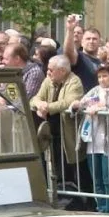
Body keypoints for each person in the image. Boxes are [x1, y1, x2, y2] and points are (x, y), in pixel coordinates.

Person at [71, 62, 109, 214]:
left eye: (105, 76)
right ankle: (101, 208)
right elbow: (79, 106)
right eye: (99, 76)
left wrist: (105, 111)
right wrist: (76, 105)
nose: (102, 80)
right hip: (93, 142)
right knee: (97, 181)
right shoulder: (94, 91)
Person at [32, 55, 86, 201]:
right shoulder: (48, 81)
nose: (47, 72)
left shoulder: (74, 82)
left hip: (68, 133)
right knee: (56, 167)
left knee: (73, 168)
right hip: (52, 132)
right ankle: (59, 196)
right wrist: (39, 105)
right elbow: (35, 98)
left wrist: (47, 107)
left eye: (50, 70)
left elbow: (68, 102)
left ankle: (79, 200)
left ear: (62, 71)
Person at [62, 15, 99, 91]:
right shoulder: (80, 57)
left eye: (94, 39)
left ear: (99, 42)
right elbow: (68, 52)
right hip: (79, 101)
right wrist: (70, 30)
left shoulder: (102, 63)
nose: (91, 41)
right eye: (88, 39)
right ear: (82, 42)